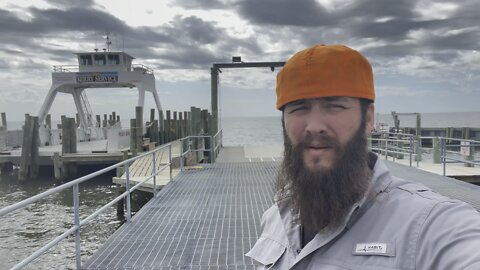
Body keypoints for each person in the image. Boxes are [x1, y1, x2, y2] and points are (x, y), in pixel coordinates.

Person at [246, 44, 480, 269]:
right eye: (299, 108)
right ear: (284, 123)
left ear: (368, 118)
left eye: (335, 105)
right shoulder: (275, 218)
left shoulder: (431, 226)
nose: (314, 126)